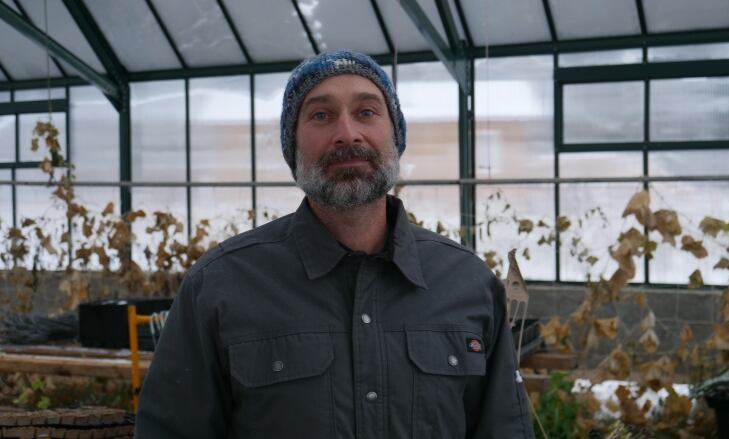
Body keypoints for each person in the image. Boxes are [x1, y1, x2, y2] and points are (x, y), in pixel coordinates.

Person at [135, 50, 535, 438]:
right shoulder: (219, 286)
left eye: (366, 112)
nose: (347, 134)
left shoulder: (467, 283)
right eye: (321, 115)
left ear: (395, 136)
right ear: (292, 146)